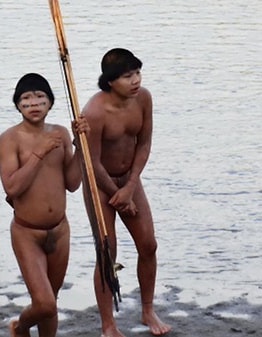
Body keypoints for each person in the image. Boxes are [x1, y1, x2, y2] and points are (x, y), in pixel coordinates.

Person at [81, 48, 171, 336]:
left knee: (149, 245)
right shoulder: (94, 112)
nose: (135, 81)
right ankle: (108, 324)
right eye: (127, 76)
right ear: (110, 82)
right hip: (99, 183)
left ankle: (147, 310)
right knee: (107, 253)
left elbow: (143, 144)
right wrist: (116, 197)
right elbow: (91, 163)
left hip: (129, 179)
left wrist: (130, 187)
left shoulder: (143, 98)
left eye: (137, 73)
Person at [0, 73, 89, 337]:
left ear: (50, 102)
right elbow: (12, 188)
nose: (34, 103)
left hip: (59, 231)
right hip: (28, 232)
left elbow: (72, 184)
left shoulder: (60, 133)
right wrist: (40, 152)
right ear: (17, 105)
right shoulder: (10, 138)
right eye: (26, 98)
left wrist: (81, 146)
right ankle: (20, 327)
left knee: (52, 302)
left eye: (40, 97)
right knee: (45, 304)